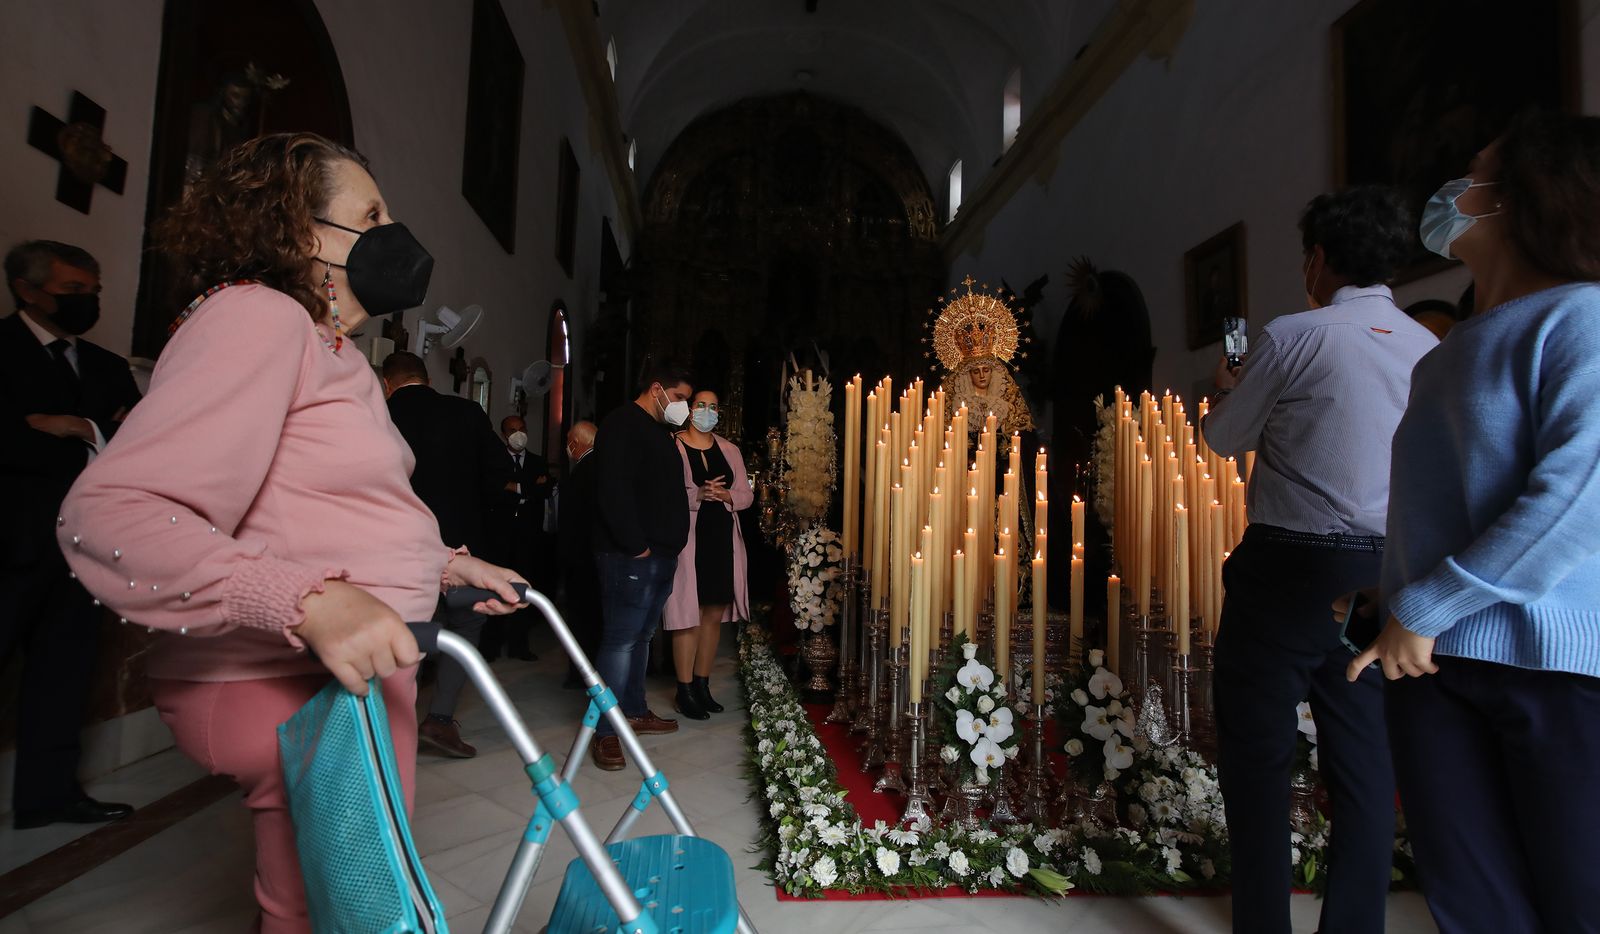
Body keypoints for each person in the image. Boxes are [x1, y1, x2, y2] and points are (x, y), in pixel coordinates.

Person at [56, 132, 525, 931]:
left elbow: (326, 502)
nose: (394, 233)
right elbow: (109, 512)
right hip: (294, 670)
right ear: (305, 234)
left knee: (307, 901)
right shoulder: (258, 317)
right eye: (371, 213)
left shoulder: (328, 345)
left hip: (349, 661)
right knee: (354, 908)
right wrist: (307, 601)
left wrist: (445, 564)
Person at [1346, 111, 1600, 934]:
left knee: (1579, 898)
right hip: (1434, 664)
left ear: (1525, 198)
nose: (1455, 189)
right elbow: (1446, 498)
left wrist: (1423, 606)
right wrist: (1386, 593)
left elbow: (1576, 498)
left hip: (1554, 666)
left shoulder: (1584, 319)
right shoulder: (1451, 348)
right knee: (1473, 904)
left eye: (1476, 174)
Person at [1202, 184, 1436, 934]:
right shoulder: (1427, 347)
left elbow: (1224, 439)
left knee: (1258, 762)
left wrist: (1227, 392)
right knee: (1367, 770)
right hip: (1380, 573)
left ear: (1317, 259)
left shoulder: (1294, 335)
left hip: (1284, 569)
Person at [1, 240, 141, 829]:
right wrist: (87, 438)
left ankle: (47, 796)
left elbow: (137, 441)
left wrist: (76, 428)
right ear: (28, 290)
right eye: (72, 292)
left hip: (81, 546)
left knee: (64, 676)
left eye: (93, 291)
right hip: (9, 541)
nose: (88, 302)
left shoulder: (107, 367)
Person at [382, 350, 514, 758]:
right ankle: (439, 720)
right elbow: (500, 472)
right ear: (426, 377)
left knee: (400, 631)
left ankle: (388, 726)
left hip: (397, 547)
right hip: (463, 543)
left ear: (388, 383)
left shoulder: (377, 414)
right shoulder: (466, 412)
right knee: (465, 631)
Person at [588, 360, 693, 770]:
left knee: (642, 636)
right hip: (629, 555)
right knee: (620, 639)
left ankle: (633, 708)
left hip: (661, 553)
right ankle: (605, 731)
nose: (683, 405)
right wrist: (636, 547)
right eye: (680, 397)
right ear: (657, 389)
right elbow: (612, 490)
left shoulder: (661, 431)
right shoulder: (621, 424)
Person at [663, 390, 751, 719]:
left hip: (720, 540)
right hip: (689, 541)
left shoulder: (729, 449)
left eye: (714, 406)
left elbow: (746, 495)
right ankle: (684, 689)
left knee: (713, 613)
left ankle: (702, 684)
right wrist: (697, 493)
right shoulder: (674, 446)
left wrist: (727, 494)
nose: (707, 411)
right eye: (701, 405)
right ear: (690, 409)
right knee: (688, 615)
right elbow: (665, 492)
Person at [482, 414, 549, 662]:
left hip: (527, 535)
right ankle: (490, 645)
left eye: (521, 428)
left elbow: (543, 490)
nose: (518, 434)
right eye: (512, 430)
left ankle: (519, 645)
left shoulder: (537, 461)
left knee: (524, 589)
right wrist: (527, 489)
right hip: (500, 535)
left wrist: (514, 487)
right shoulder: (495, 461)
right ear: (503, 434)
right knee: (495, 588)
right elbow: (493, 491)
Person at [558, 419, 600, 688]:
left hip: (583, 558)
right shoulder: (603, 466)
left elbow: (573, 521)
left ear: (575, 443)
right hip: (596, 556)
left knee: (582, 620)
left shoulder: (584, 470)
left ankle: (581, 674)